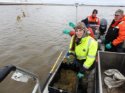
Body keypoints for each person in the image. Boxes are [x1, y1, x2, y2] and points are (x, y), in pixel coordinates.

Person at [63, 22, 98, 93]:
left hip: (88, 65)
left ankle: (83, 89)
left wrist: (82, 70)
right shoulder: (73, 38)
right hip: (79, 62)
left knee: (84, 80)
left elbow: (90, 58)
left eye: (80, 30)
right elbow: (71, 50)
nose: (78, 33)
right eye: (76, 31)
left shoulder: (92, 42)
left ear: (84, 30)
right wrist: (69, 56)